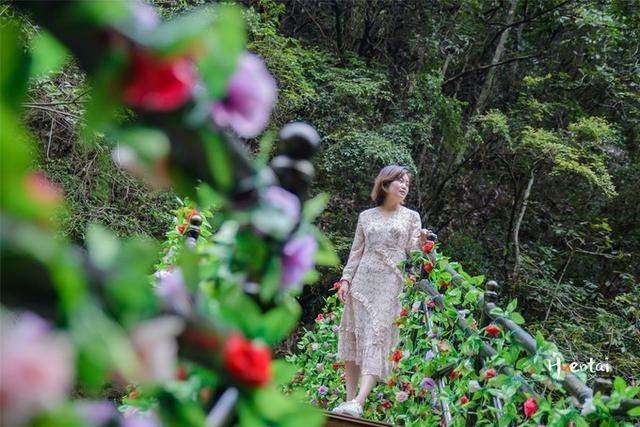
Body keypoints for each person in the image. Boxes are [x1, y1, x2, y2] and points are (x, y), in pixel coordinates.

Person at [331, 165, 435, 417]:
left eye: (407, 182)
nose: (404, 185)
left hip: (391, 282)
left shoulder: (411, 217)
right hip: (362, 283)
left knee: (377, 334)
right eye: (400, 180)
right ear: (385, 184)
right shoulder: (366, 216)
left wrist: (422, 242)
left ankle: (360, 400)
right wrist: (345, 280)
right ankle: (348, 401)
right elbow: (356, 251)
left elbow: (414, 251)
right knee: (355, 337)